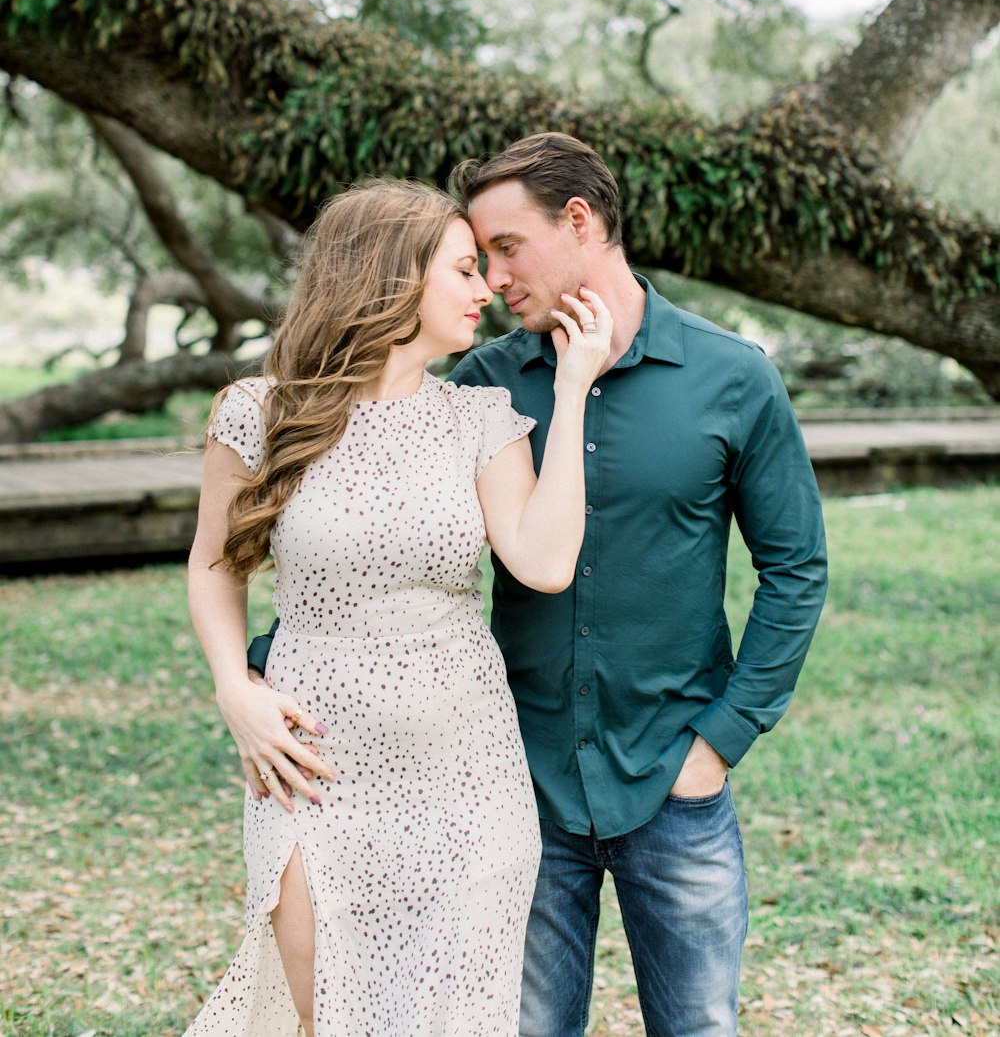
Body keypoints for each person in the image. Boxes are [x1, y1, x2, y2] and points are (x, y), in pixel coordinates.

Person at [244, 134, 829, 1037]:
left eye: (506, 249)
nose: (493, 279)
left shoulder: (733, 377)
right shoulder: (480, 384)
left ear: (581, 221)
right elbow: (361, 525)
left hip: (674, 776)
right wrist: (262, 677)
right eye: (475, 261)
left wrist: (721, 738)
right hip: (518, 783)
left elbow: (795, 571)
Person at [183, 176, 612, 1037]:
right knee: (328, 1013)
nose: (487, 287)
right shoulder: (258, 414)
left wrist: (571, 395)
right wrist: (235, 687)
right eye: (462, 269)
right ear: (390, 279)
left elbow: (546, 561)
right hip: (313, 767)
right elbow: (213, 565)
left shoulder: (478, 418)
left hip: (467, 777)